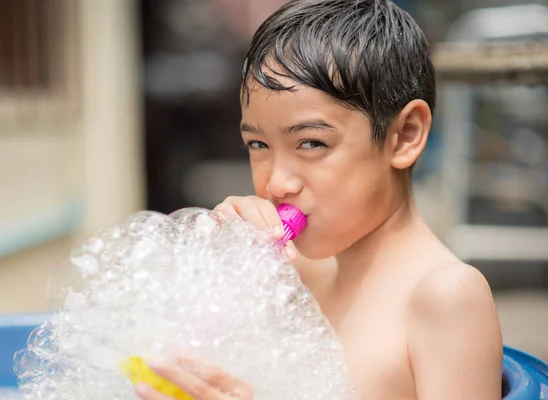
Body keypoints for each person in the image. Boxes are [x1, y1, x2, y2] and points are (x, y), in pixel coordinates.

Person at [135, 0, 504, 399]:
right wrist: (220, 264)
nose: (277, 183)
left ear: (405, 135)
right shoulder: (296, 273)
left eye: (311, 142)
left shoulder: (445, 297)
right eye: (257, 143)